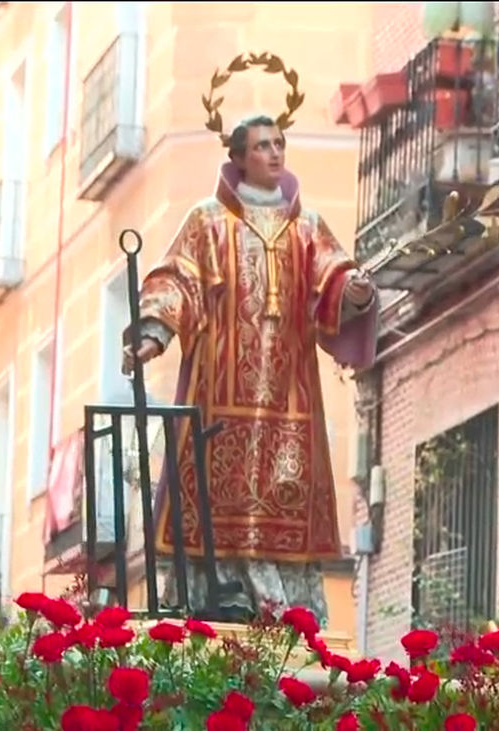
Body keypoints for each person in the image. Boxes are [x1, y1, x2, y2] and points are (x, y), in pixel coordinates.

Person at [122, 107, 379, 625]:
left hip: (288, 397)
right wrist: (154, 333)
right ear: (238, 158)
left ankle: (290, 606)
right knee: (216, 491)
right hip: (219, 390)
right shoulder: (207, 220)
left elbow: (333, 276)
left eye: (280, 143)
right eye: (263, 145)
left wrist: (353, 291)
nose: (275, 152)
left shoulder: (306, 226)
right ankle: (219, 591)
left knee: (286, 494)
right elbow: (177, 280)